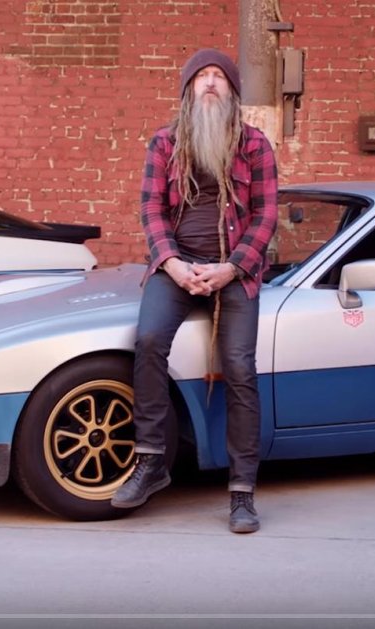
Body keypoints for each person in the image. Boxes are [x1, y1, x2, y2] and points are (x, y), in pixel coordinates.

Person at [111, 48, 278, 535]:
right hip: (176, 267)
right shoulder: (165, 143)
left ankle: (242, 491)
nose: (210, 83)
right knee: (147, 343)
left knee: (241, 369)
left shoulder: (254, 145)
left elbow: (266, 216)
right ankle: (151, 462)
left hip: (235, 271)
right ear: (187, 92)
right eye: (201, 77)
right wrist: (175, 266)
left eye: (218, 77)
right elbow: (151, 212)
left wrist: (231, 269)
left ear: (232, 92)